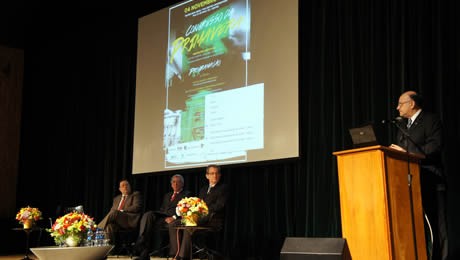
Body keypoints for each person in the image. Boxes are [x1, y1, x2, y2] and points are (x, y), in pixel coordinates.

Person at [389, 90, 448, 260]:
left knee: (436, 227)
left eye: (401, 103)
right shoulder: (402, 126)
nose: (397, 107)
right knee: (415, 227)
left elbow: (434, 147)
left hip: (431, 181)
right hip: (408, 184)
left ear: (412, 104)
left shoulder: (431, 120)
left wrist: (406, 152)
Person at [169, 164, 229, 260]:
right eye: (212, 173)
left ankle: (183, 256)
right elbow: (197, 203)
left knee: (189, 223)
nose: (215, 176)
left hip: (211, 218)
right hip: (198, 217)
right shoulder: (203, 189)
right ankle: (175, 253)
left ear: (220, 175)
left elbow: (219, 206)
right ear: (207, 176)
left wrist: (202, 209)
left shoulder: (223, 188)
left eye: (217, 173)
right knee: (173, 224)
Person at [134, 174, 191, 260]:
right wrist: (162, 216)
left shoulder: (187, 194)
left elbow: (185, 209)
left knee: (165, 221)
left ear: (182, 184)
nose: (175, 184)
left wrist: (174, 217)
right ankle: (142, 246)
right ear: (171, 184)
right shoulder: (167, 195)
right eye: (174, 182)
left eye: (178, 182)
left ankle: (174, 255)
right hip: (164, 217)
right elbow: (162, 209)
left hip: (176, 218)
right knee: (148, 215)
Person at [98, 179, 143, 245]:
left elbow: (137, 207)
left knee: (115, 212)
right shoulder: (116, 199)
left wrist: (122, 210)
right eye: (123, 185)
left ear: (130, 186)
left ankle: (97, 229)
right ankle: (110, 249)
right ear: (120, 189)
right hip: (117, 221)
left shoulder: (135, 194)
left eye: (127, 185)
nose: (125, 187)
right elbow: (111, 211)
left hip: (129, 220)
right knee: (109, 226)